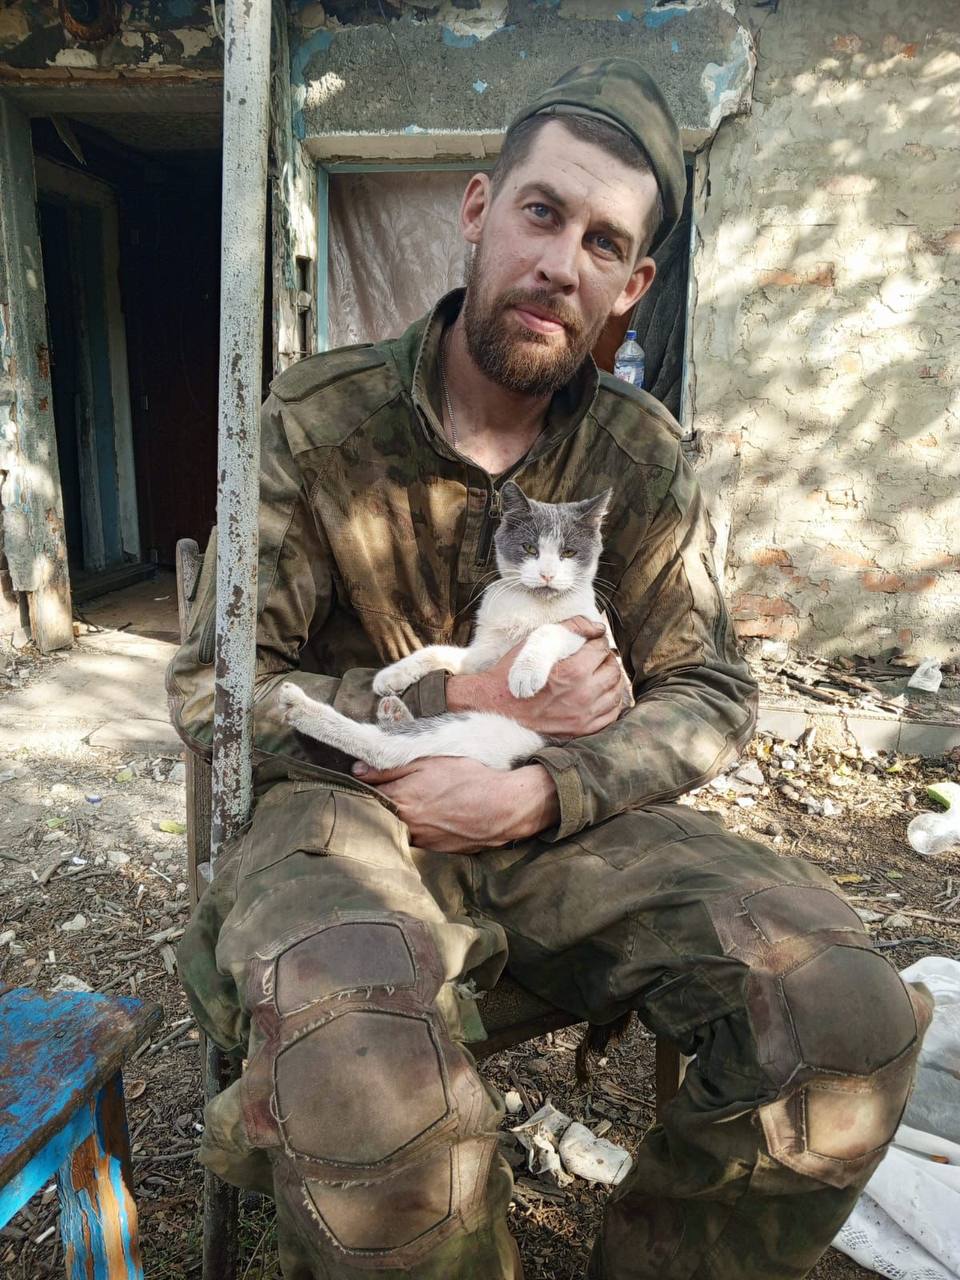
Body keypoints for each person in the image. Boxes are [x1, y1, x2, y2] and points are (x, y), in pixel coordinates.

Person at [169, 58, 931, 1280]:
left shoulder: (642, 457)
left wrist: (546, 788)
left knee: (845, 1011)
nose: (559, 261)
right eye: (541, 211)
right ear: (477, 209)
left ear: (631, 283)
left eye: (603, 241)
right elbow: (215, 687)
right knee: (373, 1094)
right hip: (347, 817)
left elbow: (713, 687)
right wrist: (444, 698)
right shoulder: (314, 423)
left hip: (561, 821)